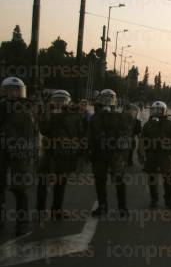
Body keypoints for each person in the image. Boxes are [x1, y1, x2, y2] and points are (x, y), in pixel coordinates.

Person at [36, 90, 85, 220]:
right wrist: (47, 114)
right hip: (49, 154)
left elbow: (80, 133)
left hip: (65, 155)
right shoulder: (49, 114)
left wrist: (79, 152)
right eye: (57, 100)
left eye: (62, 100)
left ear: (68, 102)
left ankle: (57, 210)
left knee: (61, 183)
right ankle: (40, 212)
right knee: (43, 183)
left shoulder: (74, 116)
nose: (59, 103)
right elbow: (43, 129)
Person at [0, 77, 37, 235]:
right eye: (9, 90)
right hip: (3, 154)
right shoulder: (1, 108)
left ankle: (22, 225)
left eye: (15, 90)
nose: (12, 93)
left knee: (20, 190)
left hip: (19, 155)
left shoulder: (26, 111)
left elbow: (31, 134)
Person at [88, 89, 130, 217]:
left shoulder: (97, 117)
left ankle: (109, 207)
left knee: (106, 181)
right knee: (113, 181)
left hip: (107, 154)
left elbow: (89, 137)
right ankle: (120, 208)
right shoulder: (118, 117)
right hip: (109, 154)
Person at [138, 101, 171, 210]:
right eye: (154, 110)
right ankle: (154, 199)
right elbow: (142, 140)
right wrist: (141, 155)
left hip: (165, 155)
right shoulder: (148, 124)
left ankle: (168, 200)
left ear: (163, 111)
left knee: (168, 179)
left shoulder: (170, 124)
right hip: (151, 154)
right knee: (152, 178)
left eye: (158, 110)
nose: (156, 112)